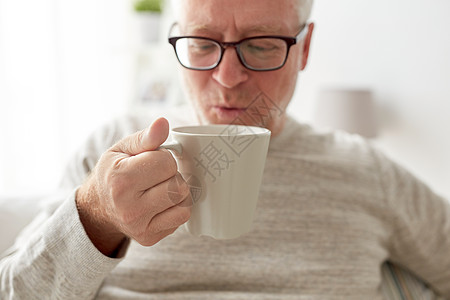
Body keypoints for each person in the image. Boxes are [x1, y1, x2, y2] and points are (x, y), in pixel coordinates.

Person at [1, 0, 450, 298]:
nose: (228, 77)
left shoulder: (366, 170)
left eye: (259, 46)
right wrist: (96, 217)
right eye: (201, 44)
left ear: (305, 48)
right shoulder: (112, 151)